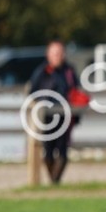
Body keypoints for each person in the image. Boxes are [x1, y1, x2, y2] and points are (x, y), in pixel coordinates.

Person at [27, 40, 80, 185]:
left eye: (59, 53)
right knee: (48, 150)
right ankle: (53, 180)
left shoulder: (69, 71)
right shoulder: (41, 72)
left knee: (63, 150)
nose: (57, 56)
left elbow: (75, 91)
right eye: (54, 53)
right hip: (46, 117)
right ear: (48, 55)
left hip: (65, 116)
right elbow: (32, 93)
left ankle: (55, 181)